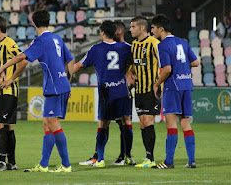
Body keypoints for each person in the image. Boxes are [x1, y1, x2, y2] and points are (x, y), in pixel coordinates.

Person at [0, 10, 75, 173]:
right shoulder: (57, 38)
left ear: (33, 23)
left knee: (53, 124)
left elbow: (21, 57)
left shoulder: (41, 41)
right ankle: (44, 165)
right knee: (47, 123)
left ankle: (66, 165)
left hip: (54, 87)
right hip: (60, 85)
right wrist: (68, 79)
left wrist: (3, 67)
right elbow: (70, 60)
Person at [73, 21, 134, 168]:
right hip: (122, 90)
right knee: (127, 121)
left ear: (101, 33)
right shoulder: (126, 48)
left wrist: (63, 76)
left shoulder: (96, 49)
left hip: (106, 91)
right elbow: (137, 62)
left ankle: (100, 159)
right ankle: (128, 157)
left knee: (103, 124)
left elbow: (79, 65)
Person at [151, 14, 199, 169]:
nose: (152, 32)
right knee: (185, 122)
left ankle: (169, 161)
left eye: (153, 28)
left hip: (173, 87)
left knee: (170, 123)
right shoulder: (183, 42)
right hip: (186, 85)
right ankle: (191, 161)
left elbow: (167, 69)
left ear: (161, 29)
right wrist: (182, 67)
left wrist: (157, 84)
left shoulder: (162, 45)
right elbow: (195, 62)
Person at [0, 15, 28, 171]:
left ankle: (2, 162)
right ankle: (12, 162)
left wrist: (11, 79)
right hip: (0, 92)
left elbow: (24, 60)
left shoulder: (9, 43)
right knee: (7, 127)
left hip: (8, 91)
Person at [129, 16, 160, 168]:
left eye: (133, 26)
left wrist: (159, 84)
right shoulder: (134, 45)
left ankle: (151, 158)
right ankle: (148, 157)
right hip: (139, 90)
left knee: (147, 121)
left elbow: (163, 64)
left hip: (151, 89)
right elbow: (134, 65)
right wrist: (131, 76)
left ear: (142, 28)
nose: (130, 29)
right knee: (142, 123)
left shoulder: (154, 44)